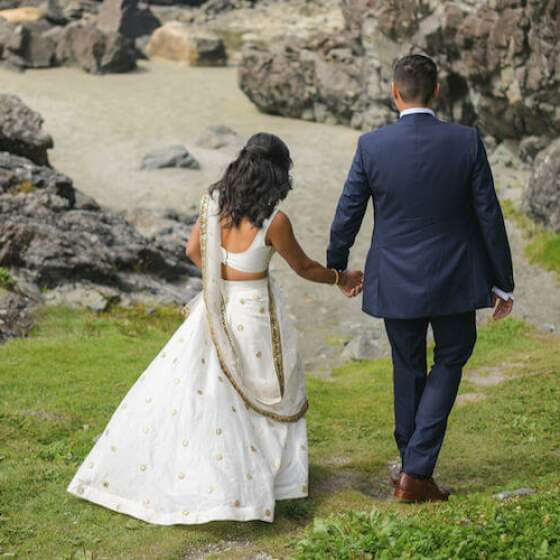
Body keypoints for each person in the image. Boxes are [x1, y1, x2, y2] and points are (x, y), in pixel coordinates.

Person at [67, 132, 363, 524]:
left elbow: (193, 251)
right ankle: (266, 481)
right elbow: (304, 268)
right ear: (278, 174)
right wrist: (341, 278)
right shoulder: (275, 221)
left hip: (216, 306)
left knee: (207, 394)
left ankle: (215, 478)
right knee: (265, 390)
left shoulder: (214, 205)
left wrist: (219, 275)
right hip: (255, 311)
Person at [327, 54, 514, 503]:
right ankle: (415, 471)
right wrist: (503, 281)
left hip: (395, 279)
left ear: (394, 94)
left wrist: (338, 269)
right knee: (452, 356)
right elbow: (489, 214)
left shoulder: (372, 146)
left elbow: (347, 213)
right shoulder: (466, 141)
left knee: (407, 365)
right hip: (455, 277)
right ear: (437, 92)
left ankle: (411, 465)